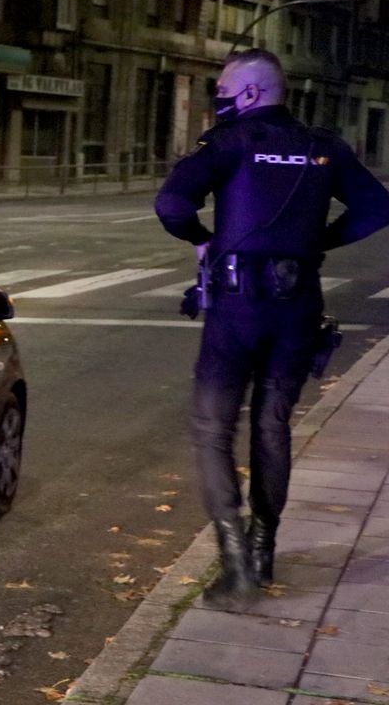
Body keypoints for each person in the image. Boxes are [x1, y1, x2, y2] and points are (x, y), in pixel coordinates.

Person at [155, 48, 389, 608]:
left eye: (224, 94)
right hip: (298, 306)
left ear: (252, 95)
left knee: (213, 428)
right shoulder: (324, 148)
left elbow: (171, 203)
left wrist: (200, 237)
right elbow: (377, 208)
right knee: (272, 426)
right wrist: (316, 243)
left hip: (237, 308)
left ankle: (236, 565)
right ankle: (264, 550)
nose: (220, 103)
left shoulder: (229, 144)